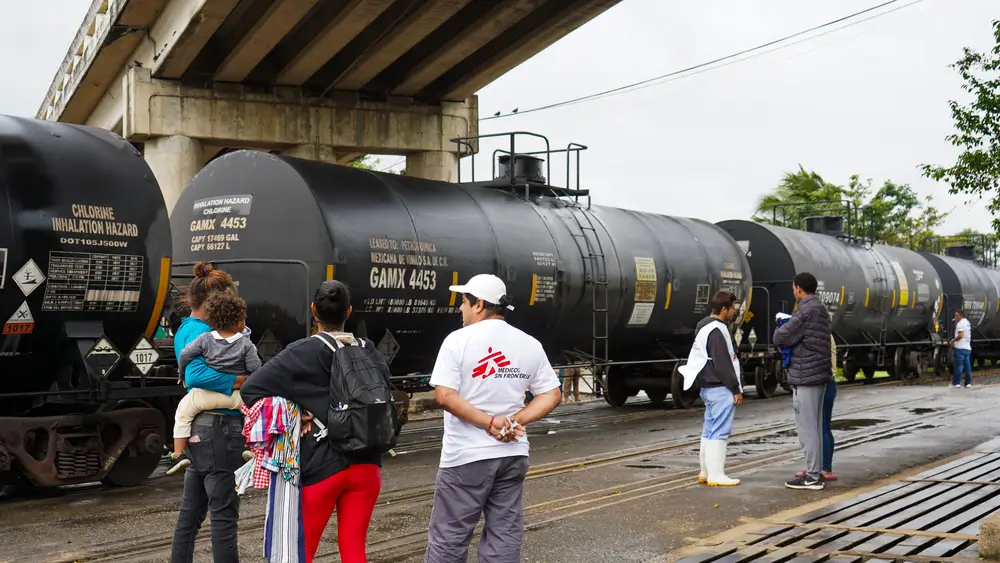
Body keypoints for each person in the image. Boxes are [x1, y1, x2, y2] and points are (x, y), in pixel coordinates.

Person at [239, 280, 389, 563]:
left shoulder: (303, 351)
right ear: (349, 312)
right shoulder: (369, 350)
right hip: (367, 464)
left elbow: (251, 390)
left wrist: (297, 411)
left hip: (323, 465)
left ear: (313, 310)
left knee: (302, 552)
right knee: (354, 550)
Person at [424, 273, 562, 563]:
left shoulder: (457, 341)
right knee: (504, 536)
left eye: (464, 302)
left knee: (449, 538)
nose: (460, 308)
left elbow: (444, 396)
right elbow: (552, 394)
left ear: (478, 304)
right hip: (512, 454)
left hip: (466, 457)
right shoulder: (529, 343)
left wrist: (490, 424)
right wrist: (515, 421)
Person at [170, 263, 251, 563]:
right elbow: (196, 375)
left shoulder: (188, 328)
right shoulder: (202, 332)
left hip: (201, 430)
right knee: (224, 516)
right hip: (220, 429)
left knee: (190, 516)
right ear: (212, 302)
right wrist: (242, 380)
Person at [167, 290, 261, 475]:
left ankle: (178, 454)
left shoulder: (204, 338)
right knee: (254, 412)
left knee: (182, 413)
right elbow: (256, 369)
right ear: (240, 322)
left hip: (205, 397)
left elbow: (185, 354)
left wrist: (181, 373)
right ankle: (251, 447)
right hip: (236, 397)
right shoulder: (246, 344)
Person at [773, 272, 832, 491]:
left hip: (806, 376)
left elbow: (780, 337)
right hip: (818, 375)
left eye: (793, 288)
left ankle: (812, 476)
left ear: (798, 289)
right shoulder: (820, 308)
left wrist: (781, 326)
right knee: (815, 427)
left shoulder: (805, 310)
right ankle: (816, 472)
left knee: (807, 429)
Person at [678, 290, 744, 487]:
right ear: (724, 309)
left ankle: (705, 472)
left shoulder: (704, 327)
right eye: (732, 308)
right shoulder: (717, 331)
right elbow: (723, 363)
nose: (734, 312)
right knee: (720, 431)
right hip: (720, 387)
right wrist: (735, 389)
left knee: (709, 430)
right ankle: (716, 474)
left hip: (708, 386)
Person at [794, 333, 838, 482]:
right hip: (826, 382)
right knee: (818, 427)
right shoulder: (824, 334)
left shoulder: (821, 335)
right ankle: (819, 467)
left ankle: (823, 468)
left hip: (824, 383)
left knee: (821, 427)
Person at [950, 309, 973, 388]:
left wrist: (953, 341)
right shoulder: (967, 322)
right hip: (967, 348)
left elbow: (960, 335)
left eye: (956, 315)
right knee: (967, 366)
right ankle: (968, 383)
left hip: (960, 348)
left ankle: (956, 383)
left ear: (960, 315)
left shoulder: (960, 324)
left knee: (959, 366)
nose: (955, 317)